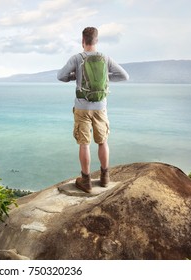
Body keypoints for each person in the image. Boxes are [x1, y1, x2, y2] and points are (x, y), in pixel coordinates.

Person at [57, 27, 129, 193]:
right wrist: (106, 78)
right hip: (100, 107)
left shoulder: (77, 58)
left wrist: (75, 76)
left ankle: (86, 180)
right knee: (103, 141)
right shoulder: (105, 58)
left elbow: (60, 76)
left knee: (84, 144)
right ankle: (105, 178)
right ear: (96, 41)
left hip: (82, 108)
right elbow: (125, 76)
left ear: (83, 41)